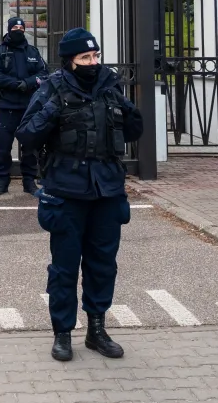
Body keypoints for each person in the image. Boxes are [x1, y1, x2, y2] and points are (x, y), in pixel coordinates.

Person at [17, 27, 142, 362]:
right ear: (69, 60)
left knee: (103, 265)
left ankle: (96, 330)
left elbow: (134, 131)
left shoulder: (109, 85)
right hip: (66, 190)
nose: (93, 62)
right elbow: (27, 135)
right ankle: (62, 333)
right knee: (65, 268)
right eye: (85, 57)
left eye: (95, 55)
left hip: (107, 189)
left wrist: (127, 108)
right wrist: (52, 110)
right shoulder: (52, 88)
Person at [0, 16, 47, 195]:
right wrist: (16, 84)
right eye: (15, 29)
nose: (19, 32)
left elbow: (44, 73)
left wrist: (27, 83)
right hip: (8, 106)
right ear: (9, 30)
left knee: (30, 147)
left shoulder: (32, 51)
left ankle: (29, 182)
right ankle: (2, 181)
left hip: (30, 107)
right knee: (4, 147)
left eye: (21, 30)